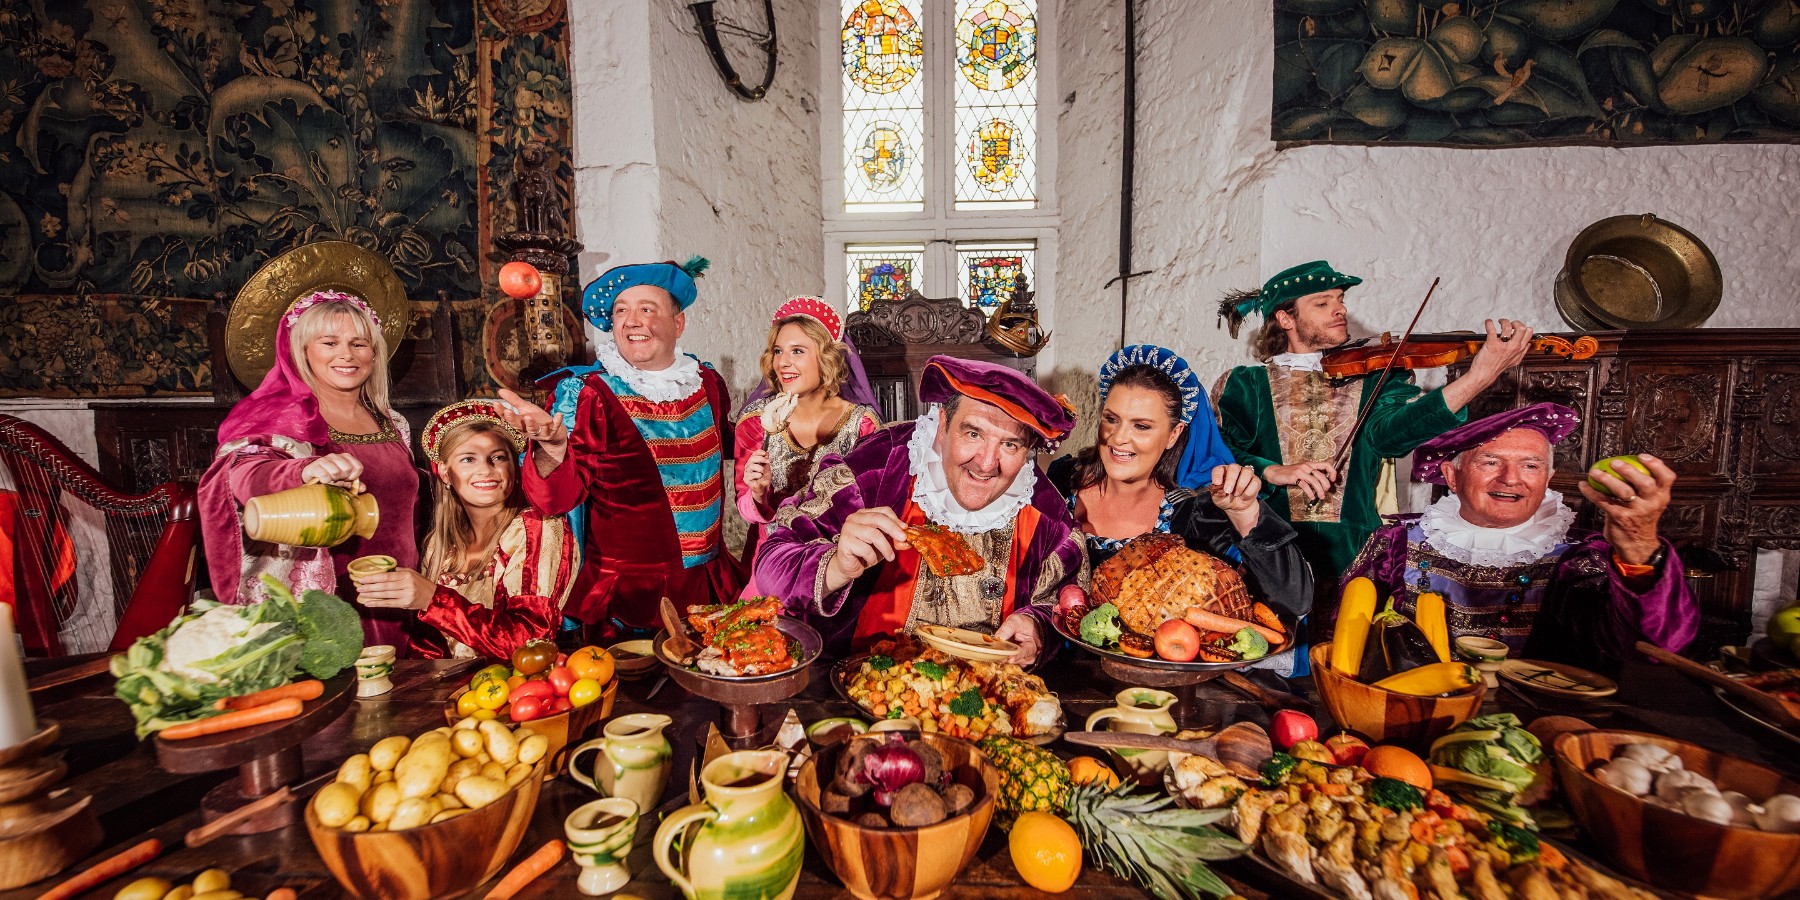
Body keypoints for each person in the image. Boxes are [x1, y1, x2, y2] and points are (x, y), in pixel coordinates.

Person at [1213, 260, 1534, 591]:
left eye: (1340, 300)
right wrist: (1272, 470)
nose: (1340, 309)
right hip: (1268, 553)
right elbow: (1219, 457)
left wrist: (1479, 377)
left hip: (1356, 558)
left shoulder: (1373, 378)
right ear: (1285, 319)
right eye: (1322, 303)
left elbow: (1393, 436)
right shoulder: (1244, 384)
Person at [754, 356, 1084, 664]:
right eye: (973, 433)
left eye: (1010, 444)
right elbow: (772, 566)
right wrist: (837, 565)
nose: (987, 463)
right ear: (943, 424)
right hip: (862, 683)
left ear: (1028, 449)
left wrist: (1038, 627)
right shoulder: (879, 465)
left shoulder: (1046, 511)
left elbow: (1064, 602)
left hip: (988, 694)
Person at [497, 257, 745, 638]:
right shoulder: (589, 395)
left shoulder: (706, 382)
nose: (631, 321)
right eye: (621, 311)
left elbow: (728, 443)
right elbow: (555, 501)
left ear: (678, 323)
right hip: (628, 606)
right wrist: (550, 446)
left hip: (709, 589)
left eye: (647, 309)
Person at [1343, 402, 1696, 668]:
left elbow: (1654, 647)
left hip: (1539, 727)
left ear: (1547, 477)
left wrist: (1639, 548)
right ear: (1452, 476)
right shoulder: (1395, 544)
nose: (1511, 479)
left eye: (1530, 465)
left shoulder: (1582, 559)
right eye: (1490, 461)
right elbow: (1342, 639)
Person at [199, 288, 418, 647]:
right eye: (329, 343)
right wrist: (302, 471)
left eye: (359, 344)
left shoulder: (393, 423)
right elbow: (241, 474)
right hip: (329, 599)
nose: (346, 355)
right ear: (302, 351)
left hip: (398, 590)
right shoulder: (282, 418)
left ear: (375, 353)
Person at [1047, 345, 1312, 618]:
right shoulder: (1060, 482)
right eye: (1111, 419)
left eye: (1141, 426)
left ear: (1174, 434)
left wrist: (1245, 514)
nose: (1118, 438)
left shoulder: (1193, 515)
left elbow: (1294, 600)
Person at [353, 400, 577, 659]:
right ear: (445, 473)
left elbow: (530, 642)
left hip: (515, 682)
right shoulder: (441, 547)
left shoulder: (536, 528)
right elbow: (429, 645)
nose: (486, 470)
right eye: (469, 459)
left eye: (498, 457)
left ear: (513, 469)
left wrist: (432, 599)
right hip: (452, 684)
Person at [735, 297, 880, 584]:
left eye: (797, 351)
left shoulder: (861, 424)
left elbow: (870, 505)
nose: (783, 362)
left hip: (839, 562)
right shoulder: (755, 422)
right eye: (778, 351)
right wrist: (759, 493)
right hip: (771, 561)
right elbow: (748, 510)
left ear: (827, 358)